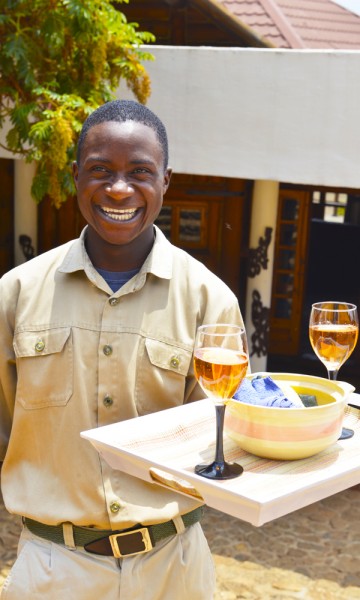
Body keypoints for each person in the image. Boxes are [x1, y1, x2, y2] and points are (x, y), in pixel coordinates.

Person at [0, 99, 244, 599]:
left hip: (172, 567)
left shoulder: (209, 300)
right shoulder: (14, 294)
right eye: (100, 170)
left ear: (165, 182)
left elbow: (225, 436)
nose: (118, 188)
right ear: (75, 178)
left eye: (139, 172)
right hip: (52, 568)